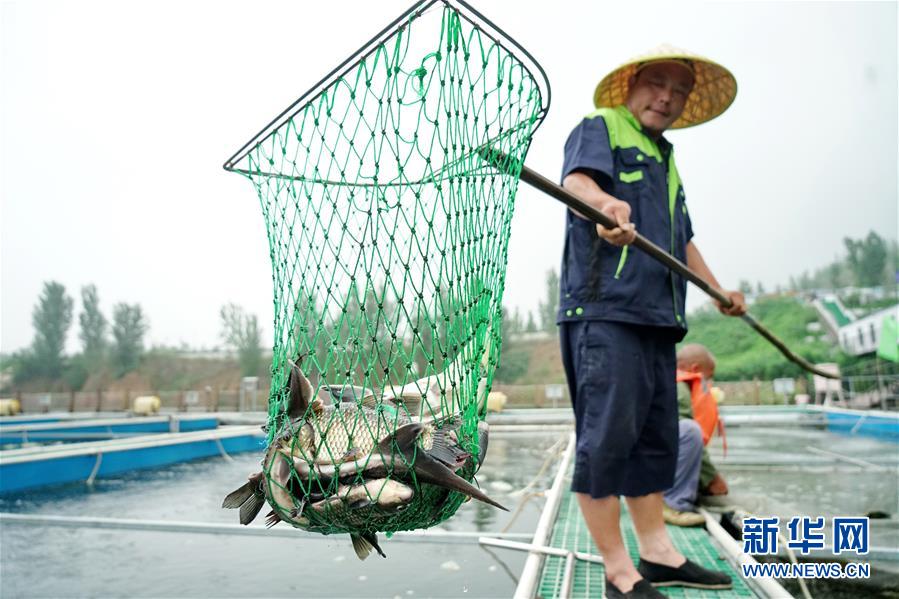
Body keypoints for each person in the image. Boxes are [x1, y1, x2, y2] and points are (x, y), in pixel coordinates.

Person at [558, 45, 747, 598]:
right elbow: (578, 186)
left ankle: (658, 552)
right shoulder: (603, 126)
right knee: (607, 441)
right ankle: (620, 571)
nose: (666, 97)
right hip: (605, 311)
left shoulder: (665, 159)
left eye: (679, 91)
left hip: (658, 319)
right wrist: (604, 209)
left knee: (652, 441)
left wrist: (716, 291)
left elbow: (680, 240)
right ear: (633, 83)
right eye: (657, 83)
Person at [663, 344, 729, 527]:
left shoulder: (665, 378)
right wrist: (711, 477)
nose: (710, 383)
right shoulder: (680, 389)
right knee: (690, 430)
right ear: (695, 369)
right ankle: (673, 503)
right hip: (641, 465)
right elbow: (683, 437)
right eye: (710, 376)